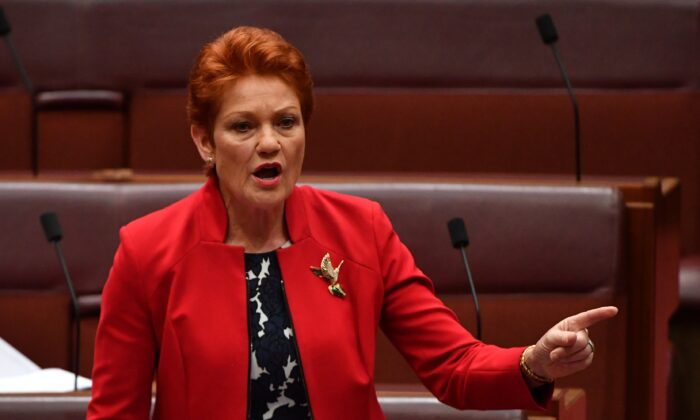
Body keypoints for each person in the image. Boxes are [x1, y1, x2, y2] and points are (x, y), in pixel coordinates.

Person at [87, 26, 618, 419]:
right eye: (244, 126)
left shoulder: (360, 228)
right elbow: (116, 413)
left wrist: (533, 362)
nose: (269, 142)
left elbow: (454, 366)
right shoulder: (147, 251)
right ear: (205, 141)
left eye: (286, 122)